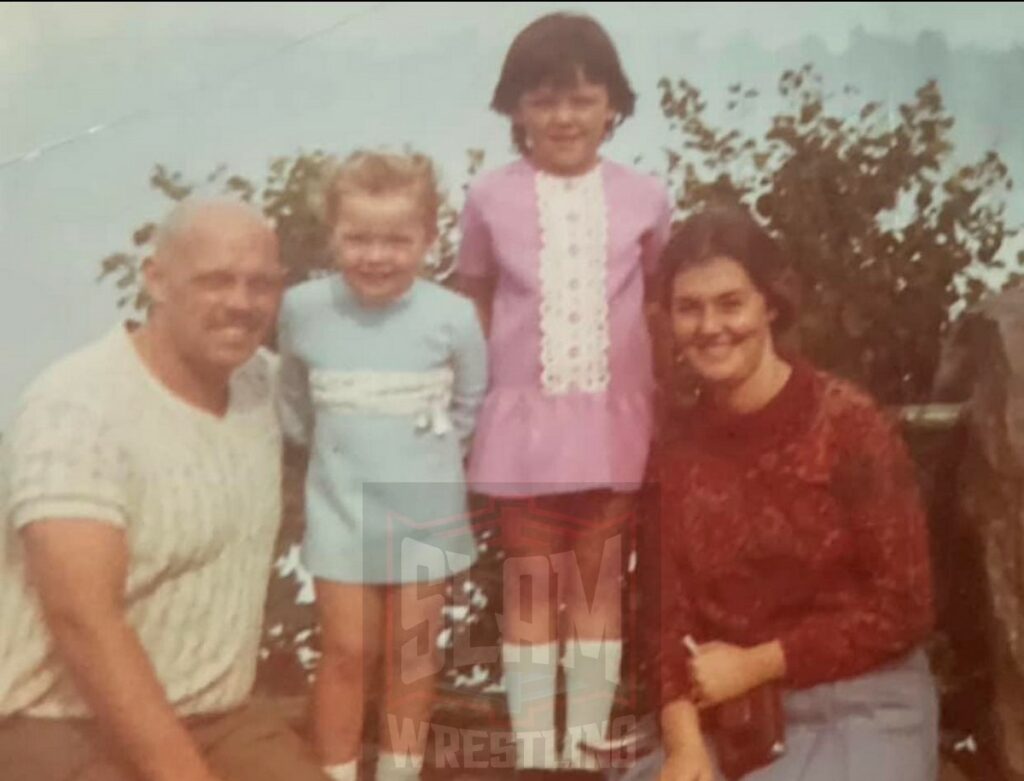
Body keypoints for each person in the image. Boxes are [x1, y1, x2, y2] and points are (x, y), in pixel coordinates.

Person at [0, 199, 330, 781]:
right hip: (56, 725)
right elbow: (82, 618)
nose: (240, 303)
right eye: (215, 281)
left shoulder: (264, 385)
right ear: (156, 280)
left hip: (220, 718)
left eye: (261, 284)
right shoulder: (76, 406)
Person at [649, 205, 938, 780]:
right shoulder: (675, 446)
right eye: (690, 308)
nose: (710, 327)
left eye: (731, 302)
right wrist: (683, 746)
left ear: (770, 305)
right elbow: (665, 616)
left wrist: (759, 663)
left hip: (863, 699)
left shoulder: (849, 425)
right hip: (733, 716)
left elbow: (905, 606)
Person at [456, 11, 672, 771]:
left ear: (612, 104)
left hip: (614, 422)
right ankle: (534, 747)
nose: (564, 117)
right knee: (531, 584)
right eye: (544, 100)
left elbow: (655, 303)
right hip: (525, 424)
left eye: (583, 99)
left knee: (598, 584)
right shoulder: (489, 198)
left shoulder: (646, 196)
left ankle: (584, 744)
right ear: (515, 108)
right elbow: (475, 299)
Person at [276, 151, 487, 781]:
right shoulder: (303, 308)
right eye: (358, 237)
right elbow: (293, 405)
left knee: (412, 654)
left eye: (397, 240)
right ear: (333, 233)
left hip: (424, 505)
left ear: (428, 238)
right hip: (340, 505)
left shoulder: (452, 317)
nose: (376, 255)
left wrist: (429, 455)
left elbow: (471, 403)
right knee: (346, 650)